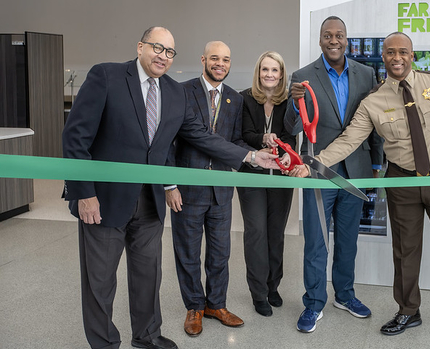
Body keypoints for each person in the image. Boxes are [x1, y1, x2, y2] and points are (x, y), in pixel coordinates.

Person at [62, 27, 278, 349]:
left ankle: (147, 337)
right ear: (140, 47)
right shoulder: (106, 76)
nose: (163, 56)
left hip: (149, 203)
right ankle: (104, 344)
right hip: (104, 201)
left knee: (148, 277)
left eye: (169, 52)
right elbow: (75, 138)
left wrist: (250, 156)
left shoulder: (175, 93)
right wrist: (84, 193)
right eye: (157, 48)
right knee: (100, 282)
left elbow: (201, 136)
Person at [291, 31, 430, 341]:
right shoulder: (374, 101)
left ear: (411, 54)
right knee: (405, 251)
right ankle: (408, 310)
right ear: (383, 57)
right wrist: (315, 163)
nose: (396, 57)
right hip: (401, 182)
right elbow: (350, 140)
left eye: (402, 52)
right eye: (390, 52)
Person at [284, 16, 383, 333]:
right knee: (315, 242)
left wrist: (377, 163)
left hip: (356, 171)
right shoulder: (302, 77)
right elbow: (292, 127)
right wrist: (293, 100)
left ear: (347, 39)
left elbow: (374, 123)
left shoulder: (366, 74)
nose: (334, 40)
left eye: (339, 35)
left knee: (348, 241)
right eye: (328, 35)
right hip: (318, 172)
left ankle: (345, 295)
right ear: (320, 40)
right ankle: (313, 303)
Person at [164, 41, 249, 338]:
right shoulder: (181, 92)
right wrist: (170, 185)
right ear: (203, 60)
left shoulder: (235, 100)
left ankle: (217, 304)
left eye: (226, 59)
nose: (220, 64)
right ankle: (194, 307)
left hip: (221, 190)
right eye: (215, 58)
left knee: (220, 252)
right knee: (187, 251)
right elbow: (169, 140)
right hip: (187, 189)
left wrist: (259, 151)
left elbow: (235, 142)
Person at [236, 51, 296, 317]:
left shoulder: (289, 102)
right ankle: (258, 293)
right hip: (251, 174)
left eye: (275, 70)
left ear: (281, 74)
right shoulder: (243, 98)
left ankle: (273, 286)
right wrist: (264, 137)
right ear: (258, 73)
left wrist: (287, 151)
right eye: (265, 70)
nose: (270, 74)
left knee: (275, 233)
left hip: (281, 176)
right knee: (256, 232)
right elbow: (243, 134)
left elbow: (291, 136)